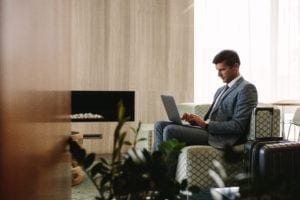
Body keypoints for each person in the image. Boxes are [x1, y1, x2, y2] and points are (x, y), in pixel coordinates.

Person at [154, 49, 258, 151]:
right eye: (217, 70)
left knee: (170, 130)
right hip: (209, 131)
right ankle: (157, 166)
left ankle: (166, 168)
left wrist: (205, 124)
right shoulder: (221, 90)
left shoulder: (246, 89)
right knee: (159, 125)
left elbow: (238, 126)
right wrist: (197, 121)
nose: (219, 74)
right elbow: (212, 119)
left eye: (222, 70)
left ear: (236, 66)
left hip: (224, 138)